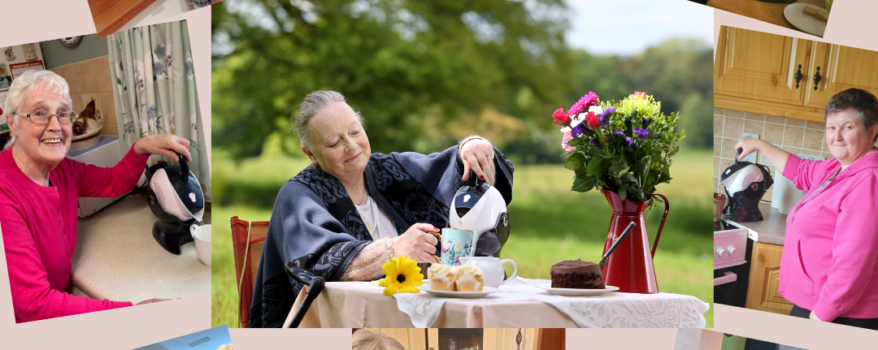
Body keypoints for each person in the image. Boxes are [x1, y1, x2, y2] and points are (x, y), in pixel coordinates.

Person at [249, 91, 514, 328]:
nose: (351, 146)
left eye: (354, 132)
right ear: (310, 154)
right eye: (334, 143)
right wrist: (394, 249)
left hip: (418, 319)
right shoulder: (298, 195)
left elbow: (450, 166)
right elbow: (318, 264)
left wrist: (471, 147)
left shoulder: (389, 170)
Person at [0, 70, 192, 323]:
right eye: (39, 113)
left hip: (58, 298)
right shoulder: (5, 193)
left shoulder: (63, 168)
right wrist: (134, 312)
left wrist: (140, 148)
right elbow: (32, 304)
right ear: (13, 122)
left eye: (63, 113)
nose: (56, 126)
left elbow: (114, 182)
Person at [735, 88, 878, 328]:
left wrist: (822, 314)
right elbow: (798, 169)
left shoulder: (868, 181)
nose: (837, 136)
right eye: (831, 127)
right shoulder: (837, 167)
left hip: (841, 314)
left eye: (848, 127)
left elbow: (853, 262)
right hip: (822, 303)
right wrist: (758, 145)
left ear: (871, 132)